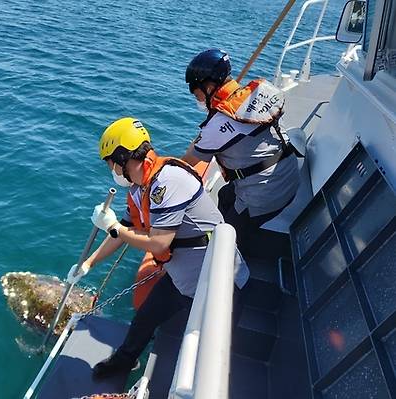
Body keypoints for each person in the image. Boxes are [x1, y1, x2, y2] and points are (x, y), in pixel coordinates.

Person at [66, 117, 249, 379]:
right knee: (145, 319)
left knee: (210, 355)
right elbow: (127, 230)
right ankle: (123, 361)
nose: (111, 170)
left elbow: (158, 242)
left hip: (218, 281)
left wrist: (114, 227)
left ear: (122, 159)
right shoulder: (140, 188)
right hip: (181, 276)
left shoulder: (167, 182)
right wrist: (88, 264)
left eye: (110, 163)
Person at [181, 49, 300, 259]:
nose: (196, 98)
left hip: (266, 196)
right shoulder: (257, 93)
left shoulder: (218, 125)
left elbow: (188, 161)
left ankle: (234, 257)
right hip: (289, 175)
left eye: (196, 93)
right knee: (225, 195)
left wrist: (205, 132)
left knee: (223, 245)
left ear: (209, 87)